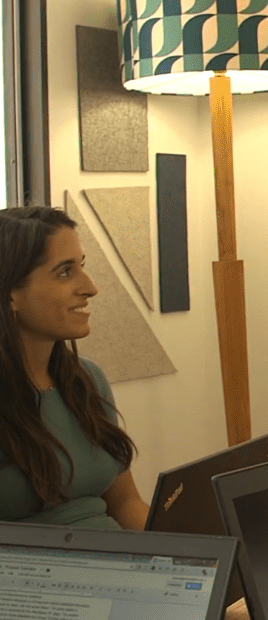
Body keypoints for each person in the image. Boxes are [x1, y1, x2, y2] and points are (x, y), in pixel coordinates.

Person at [0, 205, 149, 529]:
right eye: (65, 272)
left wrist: (190, 558)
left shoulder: (88, 379)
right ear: (11, 294)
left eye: (82, 266)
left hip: (125, 570)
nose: (90, 287)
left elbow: (126, 503)